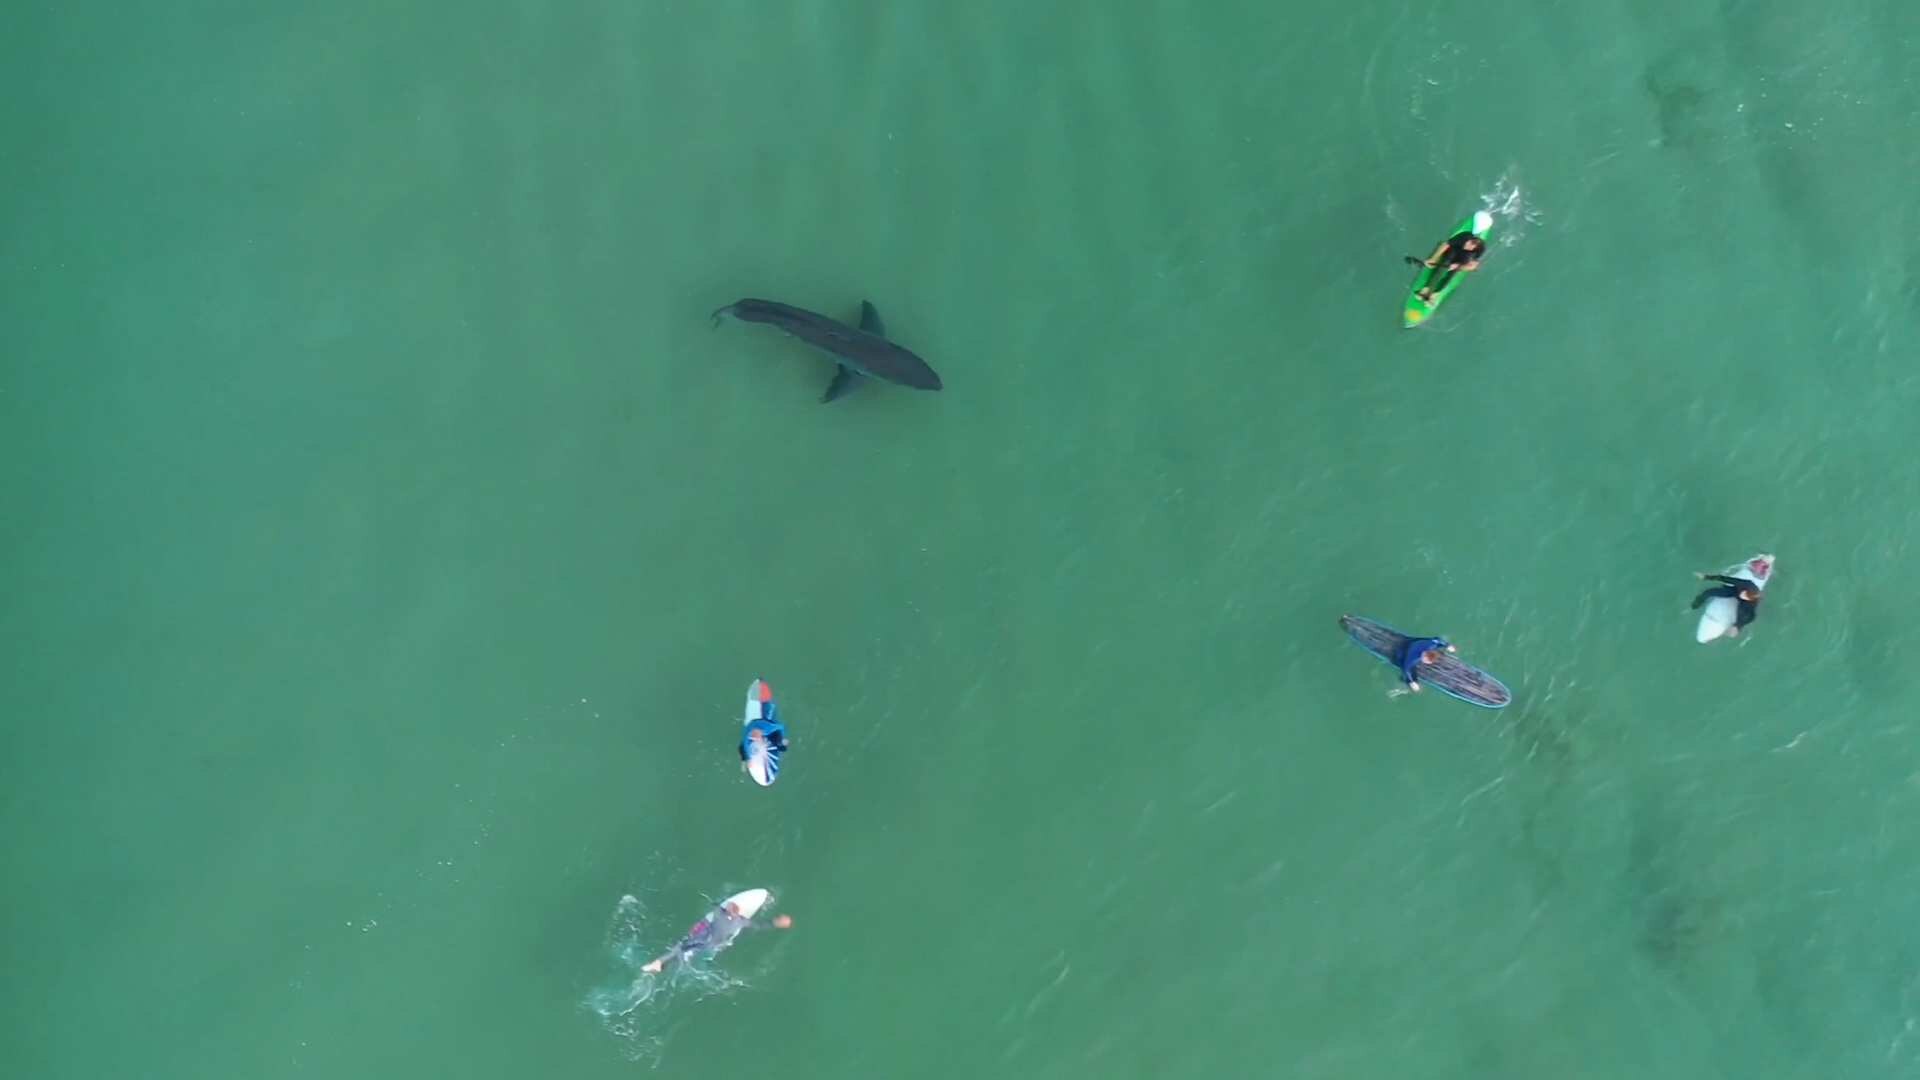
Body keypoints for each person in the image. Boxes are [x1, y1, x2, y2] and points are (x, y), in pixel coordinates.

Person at [641, 899, 793, 974]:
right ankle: (665, 966)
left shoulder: (719, 914)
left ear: (727, 911)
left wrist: (718, 904)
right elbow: (760, 925)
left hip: (703, 939)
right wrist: (776, 923)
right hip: (713, 946)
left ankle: (657, 963)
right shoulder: (741, 922)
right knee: (689, 953)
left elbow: (715, 906)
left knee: (680, 947)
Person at [1414, 230, 1487, 303]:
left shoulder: (1479, 251)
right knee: (1442, 268)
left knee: (1452, 274)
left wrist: (1458, 266)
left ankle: (1436, 293)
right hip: (1453, 250)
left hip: (1462, 258)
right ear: (1469, 240)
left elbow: (1474, 266)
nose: (1467, 246)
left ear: (1474, 249)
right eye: (1468, 244)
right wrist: (1433, 258)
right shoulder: (1464, 237)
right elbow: (1445, 244)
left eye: (1471, 247)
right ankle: (1427, 289)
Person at [1691, 572, 1761, 637]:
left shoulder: (1752, 603)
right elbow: (1727, 579)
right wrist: (1706, 577)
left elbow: (1751, 617)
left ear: (1750, 599)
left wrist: (1738, 626)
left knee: (1742, 614)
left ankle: (1735, 628)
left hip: (1743, 602)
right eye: (1745, 593)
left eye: (1746, 596)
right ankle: (1695, 605)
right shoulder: (1747, 584)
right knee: (1708, 592)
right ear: (1746, 589)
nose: (1743, 595)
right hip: (1735, 591)